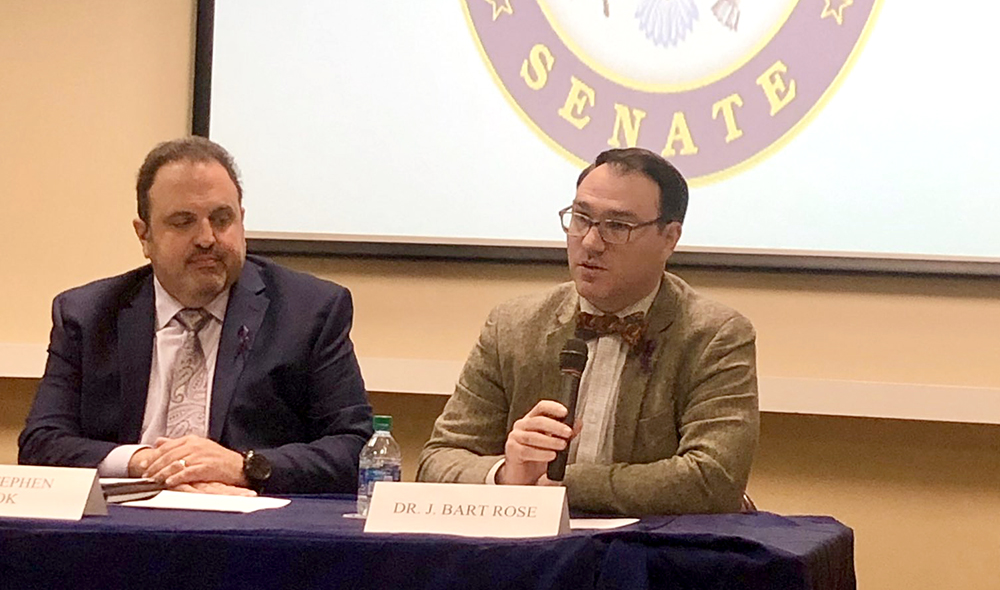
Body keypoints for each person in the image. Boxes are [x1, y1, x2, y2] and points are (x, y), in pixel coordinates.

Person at [18, 137, 373, 495]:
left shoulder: (309, 311)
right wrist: (141, 461)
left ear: (242, 221)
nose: (207, 238)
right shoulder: (88, 315)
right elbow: (41, 444)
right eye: (183, 222)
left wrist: (244, 466)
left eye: (222, 219)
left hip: (248, 529)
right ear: (144, 235)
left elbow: (357, 449)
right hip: (122, 523)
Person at [417, 148, 758, 516]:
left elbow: (713, 480)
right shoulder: (512, 326)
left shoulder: (715, 335)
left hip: (657, 557)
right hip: (535, 555)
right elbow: (438, 461)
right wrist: (506, 474)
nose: (591, 242)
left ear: (669, 238)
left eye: (617, 226)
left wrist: (562, 484)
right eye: (581, 218)